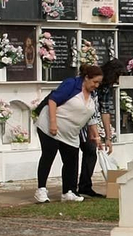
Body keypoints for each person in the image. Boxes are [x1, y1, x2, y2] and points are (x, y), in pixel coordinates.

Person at [36, 63, 102, 203]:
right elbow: (53, 100)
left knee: (71, 160)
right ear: (86, 78)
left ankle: (68, 191)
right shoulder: (72, 84)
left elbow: (91, 115)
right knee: (49, 156)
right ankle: (41, 189)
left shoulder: (93, 94)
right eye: (94, 82)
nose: (96, 85)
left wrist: (95, 136)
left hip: (71, 132)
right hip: (50, 126)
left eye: (98, 83)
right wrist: (53, 123)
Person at [76, 58, 125, 198]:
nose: (117, 81)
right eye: (117, 77)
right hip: (78, 120)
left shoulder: (106, 87)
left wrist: (108, 137)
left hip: (91, 122)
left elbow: (105, 110)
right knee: (78, 153)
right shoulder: (91, 80)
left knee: (91, 151)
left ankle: (85, 186)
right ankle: (71, 188)